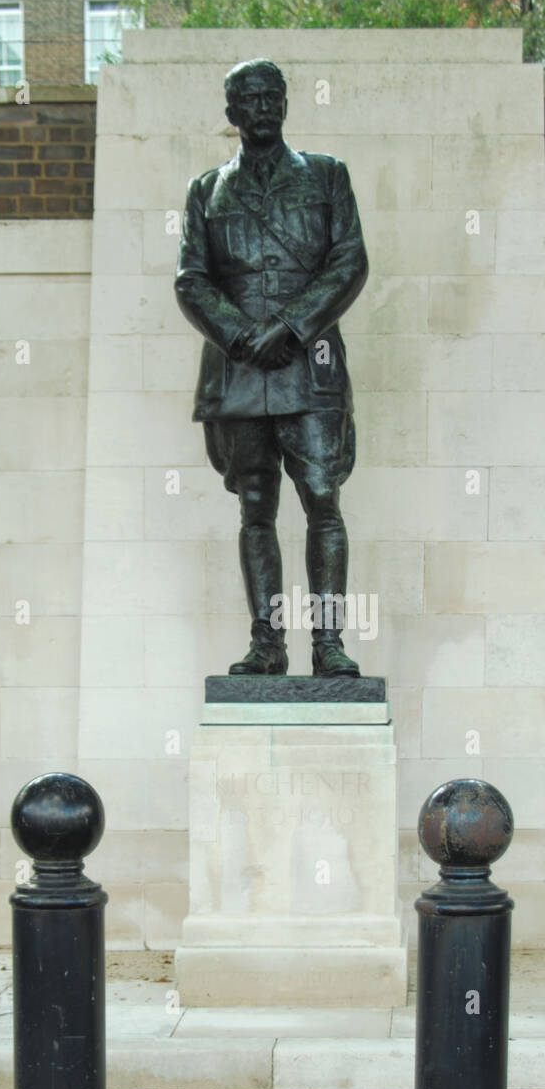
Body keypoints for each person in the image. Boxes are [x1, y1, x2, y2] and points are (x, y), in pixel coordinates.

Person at [174, 58, 369, 676]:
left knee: (321, 497)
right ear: (231, 113)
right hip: (238, 373)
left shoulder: (328, 176)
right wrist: (240, 335)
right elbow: (192, 279)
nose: (262, 107)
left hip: (308, 368)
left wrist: (288, 326)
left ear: (285, 104)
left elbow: (349, 262)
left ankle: (328, 642)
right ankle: (268, 640)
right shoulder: (207, 191)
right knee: (255, 504)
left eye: (272, 96)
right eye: (249, 99)